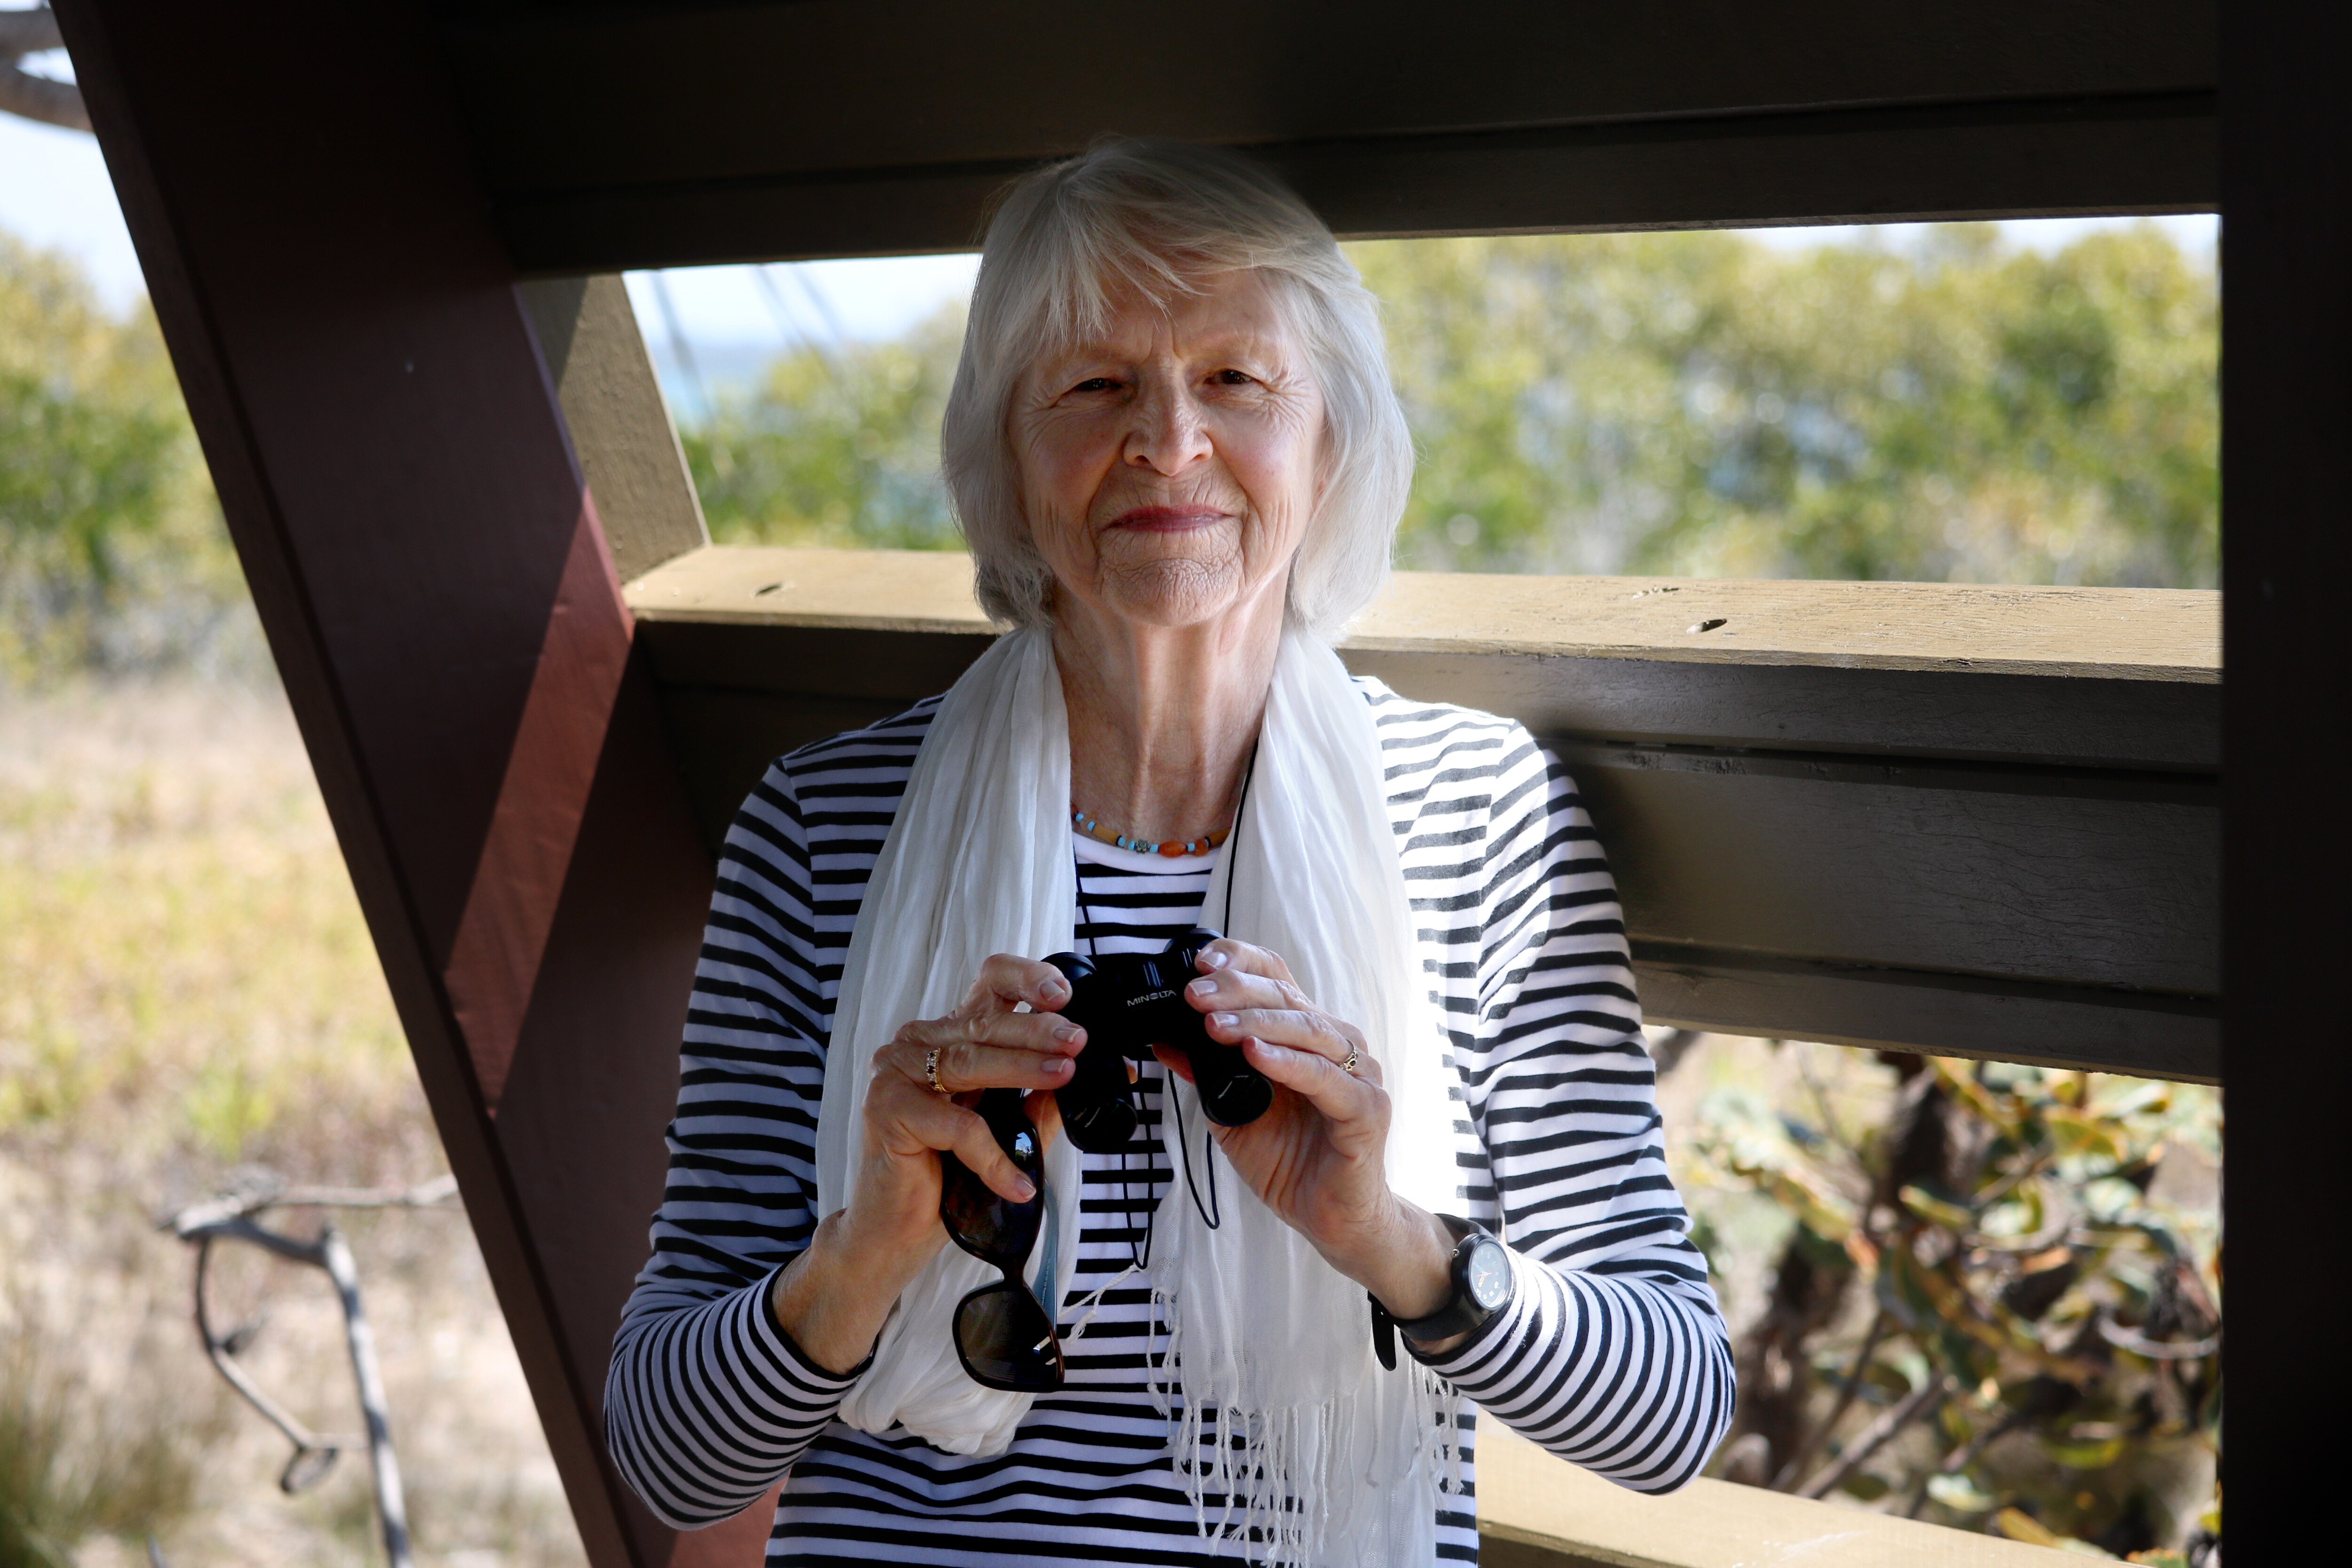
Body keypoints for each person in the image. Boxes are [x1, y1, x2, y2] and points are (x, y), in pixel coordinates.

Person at [605, 138, 1732, 1567]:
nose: (1169, 443)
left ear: (1331, 447)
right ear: (1007, 463)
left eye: (1236, 381)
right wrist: (867, 1245)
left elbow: (1673, 1412)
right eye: (1093, 386)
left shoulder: (1478, 818)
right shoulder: (826, 826)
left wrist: (1387, 1237)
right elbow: (666, 1455)